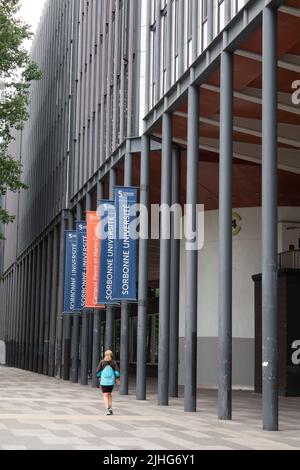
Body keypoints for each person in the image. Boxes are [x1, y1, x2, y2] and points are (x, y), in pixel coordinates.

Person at [96, 350, 120, 416]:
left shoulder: (102, 362)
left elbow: (97, 372)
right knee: (109, 394)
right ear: (112, 355)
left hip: (104, 381)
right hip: (111, 381)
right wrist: (117, 378)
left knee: (105, 395)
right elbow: (117, 372)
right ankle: (110, 407)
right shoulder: (113, 363)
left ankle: (108, 409)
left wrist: (99, 376)